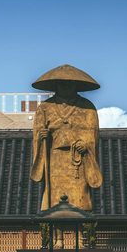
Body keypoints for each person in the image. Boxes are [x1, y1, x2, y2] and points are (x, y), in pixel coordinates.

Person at [30, 64, 103, 212]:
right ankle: (57, 235)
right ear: (55, 85)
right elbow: (37, 134)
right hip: (54, 161)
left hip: (78, 161)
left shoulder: (86, 107)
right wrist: (41, 137)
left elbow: (92, 135)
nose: (66, 87)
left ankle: (84, 234)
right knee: (54, 202)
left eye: (70, 84)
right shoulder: (44, 108)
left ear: (76, 86)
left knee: (81, 200)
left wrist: (86, 146)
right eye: (62, 84)